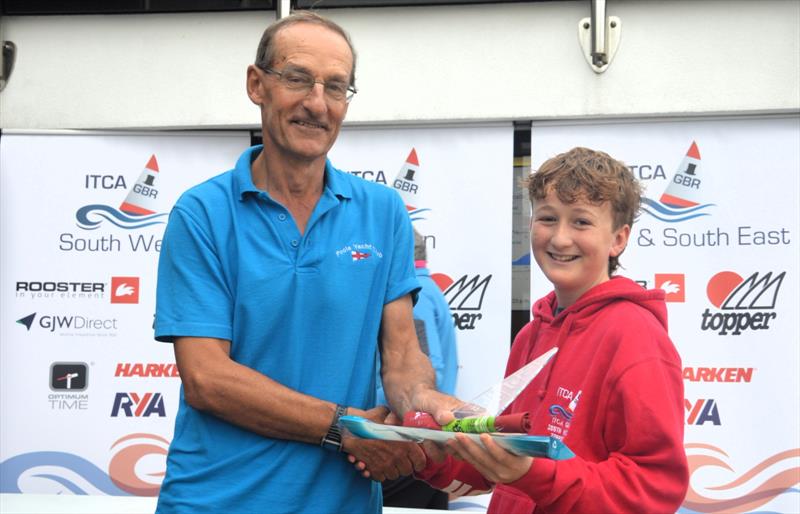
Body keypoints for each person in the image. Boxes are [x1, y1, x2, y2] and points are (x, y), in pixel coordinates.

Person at [153, 11, 456, 514]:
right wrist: (346, 429)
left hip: (342, 503)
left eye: (336, 88)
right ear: (257, 85)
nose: (317, 104)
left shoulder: (383, 213)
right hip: (216, 501)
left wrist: (422, 402)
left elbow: (401, 357)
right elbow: (206, 378)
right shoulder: (202, 213)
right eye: (298, 79)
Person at [415, 147, 690, 513]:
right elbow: (505, 458)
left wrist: (534, 474)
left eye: (581, 222)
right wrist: (430, 453)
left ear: (618, 239)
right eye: (547, 218)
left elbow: (654, 488)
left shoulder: (636, 336)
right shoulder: (532, 334)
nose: (560, 239)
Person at [378, 229, 459, 510]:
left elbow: (424, 363)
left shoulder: (416, 298)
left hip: (419, 436)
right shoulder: (424, 291)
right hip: (425, 435)